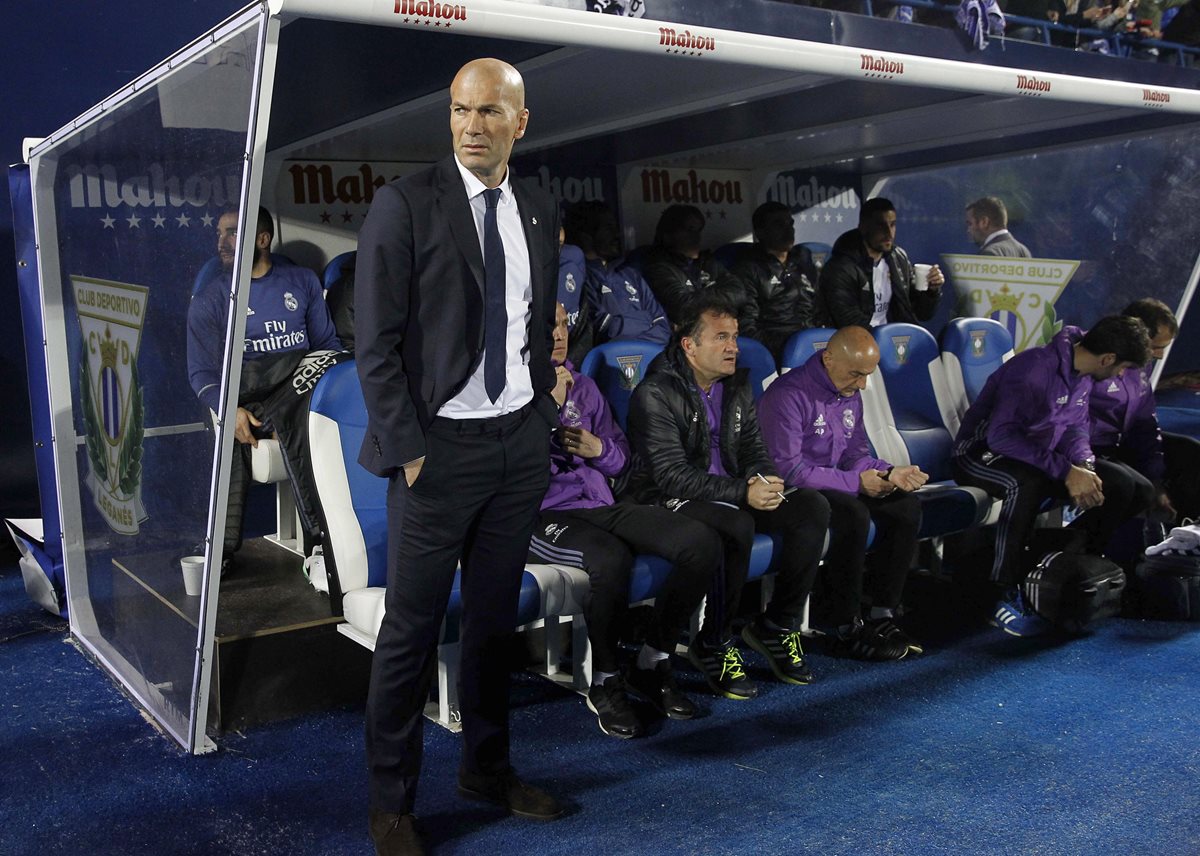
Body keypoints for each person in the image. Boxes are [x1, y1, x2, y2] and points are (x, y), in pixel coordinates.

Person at [354, 58, 563, 856]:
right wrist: (409, 454)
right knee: (409, 634)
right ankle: (392, 805)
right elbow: (371, 345)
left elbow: (536, 321)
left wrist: (542, 408)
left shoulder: (538, 206)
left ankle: (486, 769)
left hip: (516, 445)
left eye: (488, 113)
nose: (472, 127)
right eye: (458, 111)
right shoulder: (404, 205)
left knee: (490, 624)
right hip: (436, 456)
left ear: (520, 122)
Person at [528, 304, 722, 738]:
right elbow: (511, 473)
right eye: (546, 327)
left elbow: (623, 465)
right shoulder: (509, 394)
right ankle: (606, 680)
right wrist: (547, 407)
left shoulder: (587, 388)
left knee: (700, 542)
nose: (558, 335)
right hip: (543, 515)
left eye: (562, 326)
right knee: (611, 560)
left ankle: (651, 660)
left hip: (602, 505)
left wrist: (599, 451)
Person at [624, 292, 831, 696]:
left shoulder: (736, 384)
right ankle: (713, 643)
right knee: (736, 523)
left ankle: (776, 626)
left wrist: (767, 481)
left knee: (811, 507)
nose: (733, 347)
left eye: (734, 336)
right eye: (721, 337)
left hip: (730, 491)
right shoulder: (655, 392)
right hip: (663, 496)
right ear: (690, 345)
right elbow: (670, 475)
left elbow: (753, 448)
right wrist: (743, 492)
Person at [952, 316, 1153, 636]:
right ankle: (1001, 591)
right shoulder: (1032, 370)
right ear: (1108, 359)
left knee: (1130, 487)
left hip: (1036, 454)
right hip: (980, 454)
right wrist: (1064, 470)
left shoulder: (1085, 374)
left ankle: (1061, 562)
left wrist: (1084, 466)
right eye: (1123, 367)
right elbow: (1001, 437)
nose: (1121, 375)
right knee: (1025, 485)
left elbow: (1075, 427)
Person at [186, 205, 341, 574]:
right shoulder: (211, 300)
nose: (221, 242)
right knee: (233, 427)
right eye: (220, 233)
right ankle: (220, 550)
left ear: (262, 239)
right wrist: (229, 409)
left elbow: (328, 347)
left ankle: (322, 545)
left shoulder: (301, 281)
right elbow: (201, 373)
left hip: (295, 388)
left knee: (315, 392)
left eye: (232, 233)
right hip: (246, 395)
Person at [759, 326, 927, 659]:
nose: (863, 384)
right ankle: (844, 625)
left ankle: (882, 613)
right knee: (853, 514)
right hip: (797, 493)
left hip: (836, 482)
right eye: (856, 374)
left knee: (904, 507)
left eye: (868, 376)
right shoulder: (788, 396)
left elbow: (855, 453)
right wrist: (856, 483)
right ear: (828, 358)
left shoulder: (850, 393)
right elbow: (789, 470)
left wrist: (888, 472)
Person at [1089, 298, 1200, 522]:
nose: (1159, 355)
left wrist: (1156, 478)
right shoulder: (1096, 361)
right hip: (1090, 449)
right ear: (1137, 332)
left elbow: (1145, 424)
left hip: (1121, 443)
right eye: (1157, 346)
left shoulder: (1139, 367)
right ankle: (1082, 542)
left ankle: (1181, 537)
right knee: (1133, 486)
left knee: (1191, 453)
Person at [816, 197, 944, 329]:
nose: (889, 233)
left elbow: (921, 313)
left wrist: (931, 291)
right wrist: (884, 341)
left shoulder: (898, 258)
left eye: (892, 225)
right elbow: (849, 322)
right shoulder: (841, 268)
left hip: (893, 341)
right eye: (881, 225)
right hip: (858, 345)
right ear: (864, 227)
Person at [563, 200, 671, 347]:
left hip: (647, 363)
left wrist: (623, 325)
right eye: (608, 228)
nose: (617, 234)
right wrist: (645, 320)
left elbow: (663, 327)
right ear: (586, 235)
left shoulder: (630, 275)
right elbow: (601, 327)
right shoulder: (578, 275)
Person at [731, 201, 819, 363]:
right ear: (760, 232)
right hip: (778, 348)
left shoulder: (803, 259)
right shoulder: (749, 268)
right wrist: (781, 351)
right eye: (779, 225)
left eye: (790, 224)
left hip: (812, 341)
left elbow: (819, 307)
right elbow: (747, 325)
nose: (788, 230)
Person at [640, 203, 749, 325]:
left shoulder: (707, 262)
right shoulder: (658, 267)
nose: (696, 237)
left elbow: (739, 293)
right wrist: (719, 294)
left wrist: (698, 296)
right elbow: (683, 308)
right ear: (668, 236)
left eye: (698, 230)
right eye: (689, 230)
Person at [965, 197, 1032, 258]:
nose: (968, 230)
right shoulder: (1024, 251)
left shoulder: (989, 253)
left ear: (984, 222)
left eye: (970, 224)